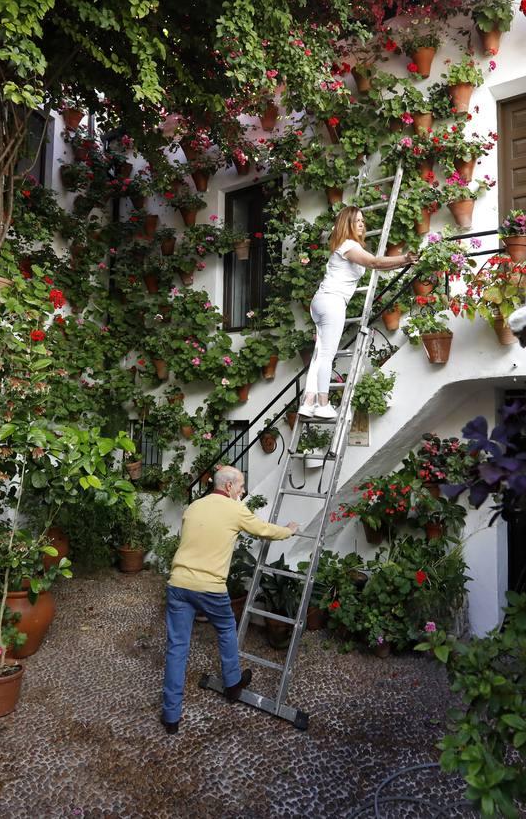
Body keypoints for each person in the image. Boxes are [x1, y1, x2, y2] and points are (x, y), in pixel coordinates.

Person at [160, 465, 298, 734]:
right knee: (225, 629)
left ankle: (171, 717)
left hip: (178, 584)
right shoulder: (235, 509)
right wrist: (289, 530)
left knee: (177, 648)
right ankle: (233, 684)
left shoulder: (195, 506)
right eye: (241, 486)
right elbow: (263, 530)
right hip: (210, 587)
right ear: (228, 487)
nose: (243, 491)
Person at [299, 206, 416, 420]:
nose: (362, 224)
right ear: (347, 225)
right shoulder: (349, 245)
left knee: (319, 354)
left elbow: (376, 266)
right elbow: (374, 262)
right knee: (326, 355)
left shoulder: (346, 246)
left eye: (362, 220)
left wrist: (399, 262)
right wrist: (404, 259)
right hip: (332, 301)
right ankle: (322, 403)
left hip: (323, 301)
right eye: (357, 221)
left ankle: (308, 402)